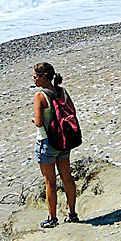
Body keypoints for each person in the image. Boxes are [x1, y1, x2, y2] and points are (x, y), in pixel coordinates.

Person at [31, 62, 79, 228]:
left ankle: (52, 218)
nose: (33, 79)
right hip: (64, 141)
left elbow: (38, 123)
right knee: (67, 177)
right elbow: (72, 112)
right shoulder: (62, 91)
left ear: (44, 77)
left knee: (50, 182)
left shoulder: (40, 96)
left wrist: (34, 119)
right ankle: (72, 213)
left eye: (35, 76)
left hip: (47, 141)